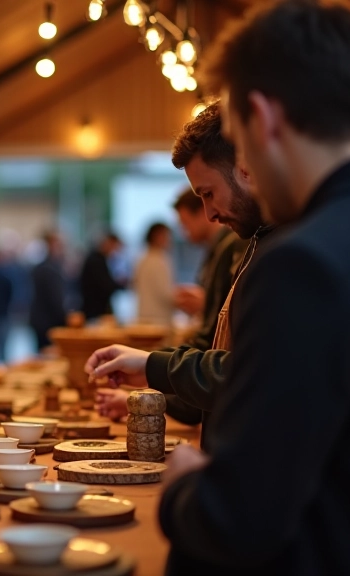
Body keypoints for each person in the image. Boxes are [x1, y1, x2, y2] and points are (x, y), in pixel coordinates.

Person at [160, 2, 350, 574]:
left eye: (238, 137)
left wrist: (184, 488)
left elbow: (238, 520)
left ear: (264, 118)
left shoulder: (301, 266)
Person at [90, 104, 270, 449]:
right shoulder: (259, 238)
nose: (209, 213)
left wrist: (153, 368)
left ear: (245, 168)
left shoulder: (288, 246)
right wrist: (150, 368)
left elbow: (250, 376)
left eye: (208, 193)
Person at [172, 189, 247, 350]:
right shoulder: (215, 248)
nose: (185, 233)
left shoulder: (232, 245)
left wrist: (206, 305)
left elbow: (238, 312)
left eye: (185, 224)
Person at [29, 231, 68, 350]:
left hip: (42, 320)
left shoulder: (45, 267)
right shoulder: (48, 269)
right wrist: (64, 317)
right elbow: (54, 298)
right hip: (48, 322)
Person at [133, 222, 175, 326]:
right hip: (159, 320)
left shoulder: (142, 259)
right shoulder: (159, 260)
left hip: (143, 315)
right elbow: (165, 293)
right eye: (167, 236)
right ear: (158, 236)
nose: (169, 240)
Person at [77, 232, 123, 321]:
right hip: (95, 310)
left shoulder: (98, 259)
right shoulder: (96, 261)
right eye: (114, 247)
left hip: (96, 309)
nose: (114, 252)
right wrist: (121, 285)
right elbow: (105, 285)